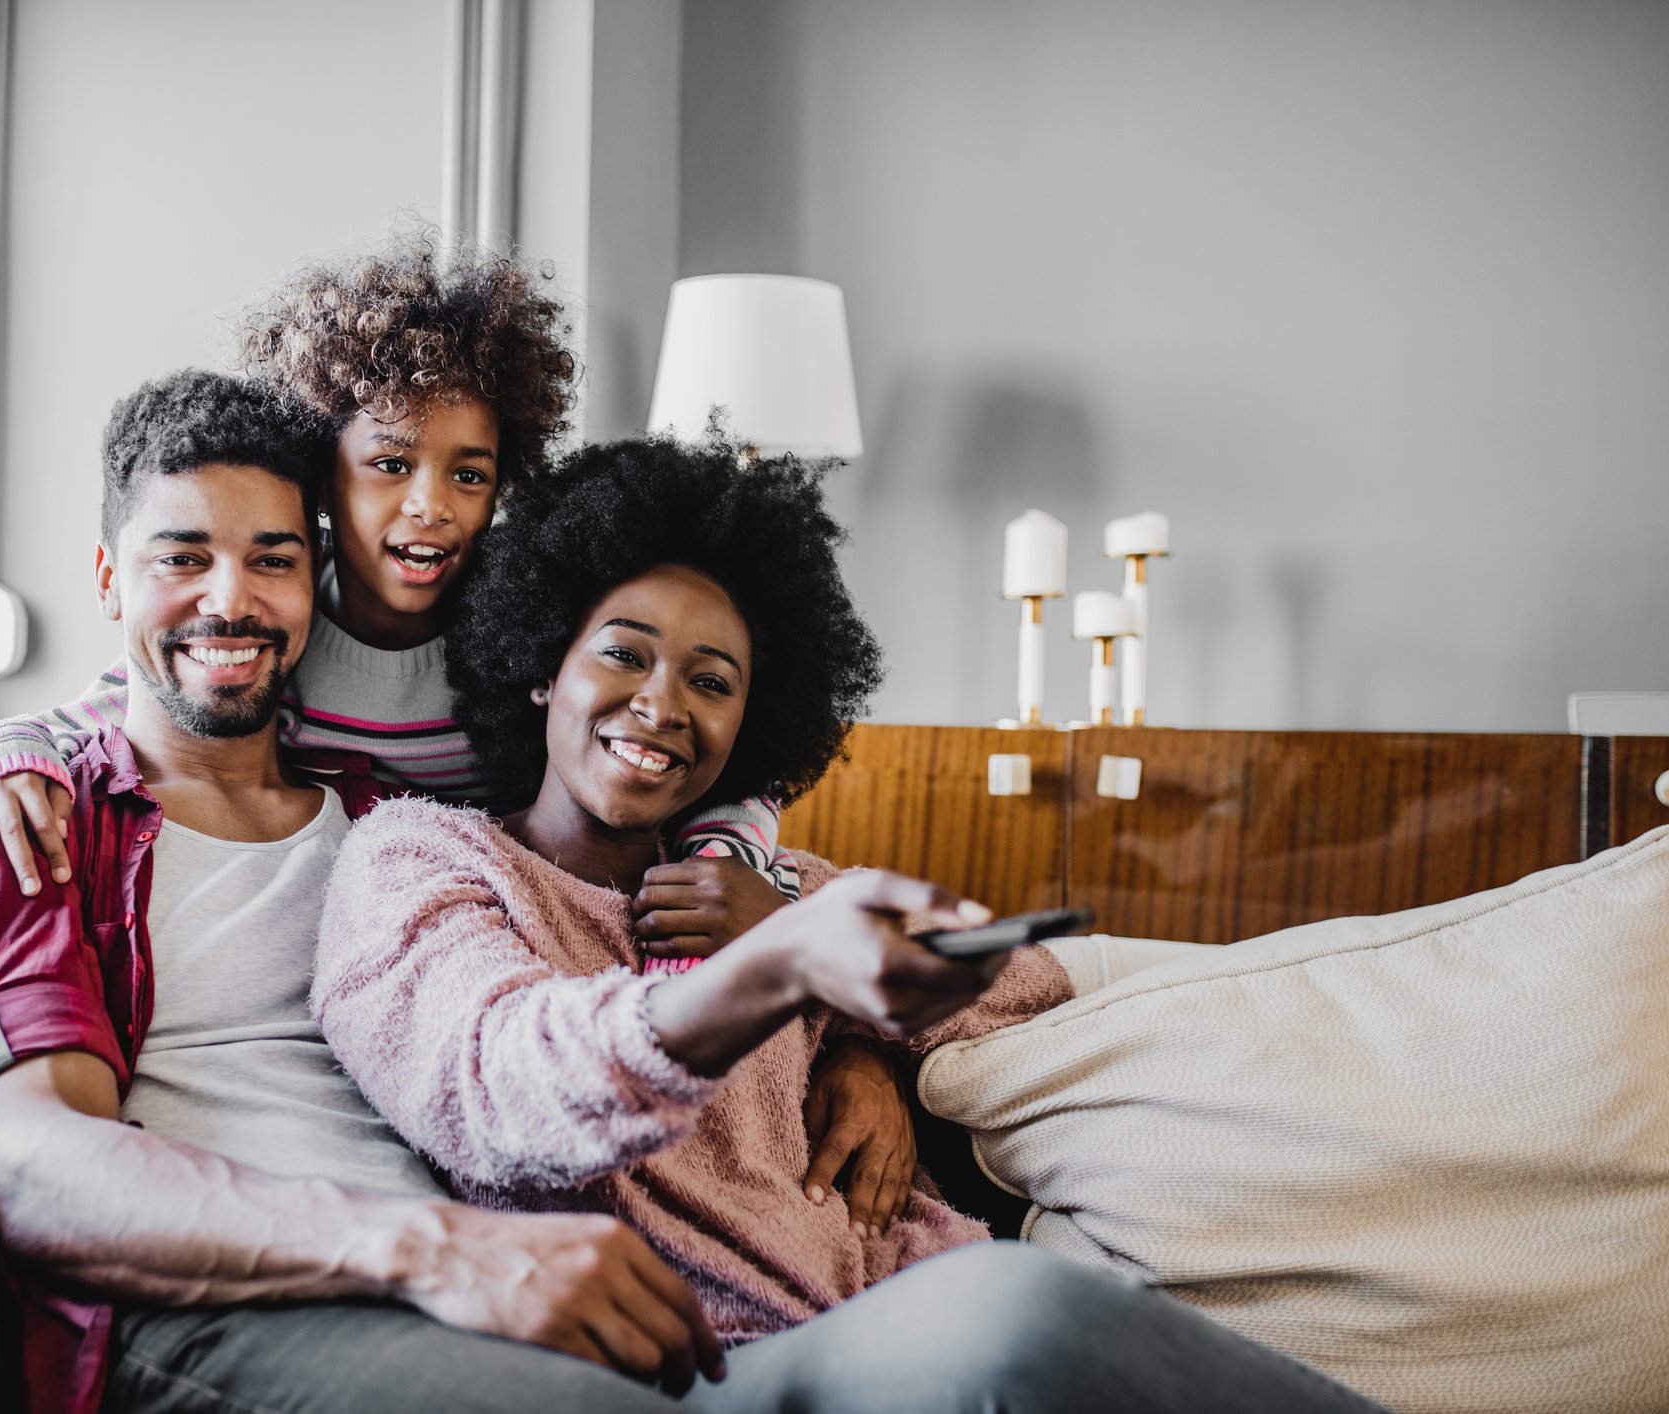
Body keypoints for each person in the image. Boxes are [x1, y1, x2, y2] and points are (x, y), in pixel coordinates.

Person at [311, 436, 1386, 1412]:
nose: (663, 702)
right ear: (544, 663)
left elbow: (1022, 992)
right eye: (624, 653)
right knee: (1020, 1317)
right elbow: (499, 1085)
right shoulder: (422, 859)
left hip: (897, 1299)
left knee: (1038, 1309)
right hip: (706, 1366)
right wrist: (784, 968)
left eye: (713, 679)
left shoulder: (769, 882)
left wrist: (837, 997)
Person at [0, 238, 925, 1234]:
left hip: (540, 963)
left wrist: (758, 909)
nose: (430, 507)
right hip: (412, 982)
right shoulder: (270, 623)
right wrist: (3, 753)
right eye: (390, 464)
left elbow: (693, 766)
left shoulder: (523, 638)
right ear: (324, 481)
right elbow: (125, 694)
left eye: (470, 474)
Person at [0, 370, 727, 1414]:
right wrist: (431, 1248)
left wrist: (862, 1050)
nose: (230, 600)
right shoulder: (25, 826)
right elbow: (40, 1172)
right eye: (182, 559)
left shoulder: (395, 822)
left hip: (476, 1285)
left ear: (315, 577)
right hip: (227, 1310)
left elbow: (632, 896)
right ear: (109, 578)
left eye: (272, 560)